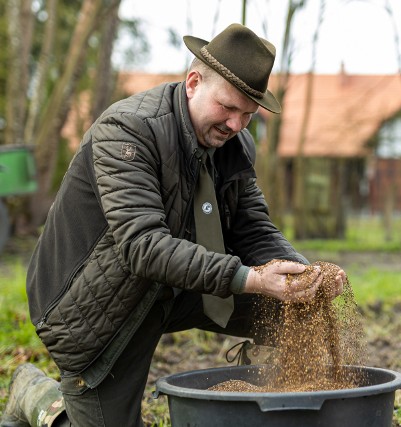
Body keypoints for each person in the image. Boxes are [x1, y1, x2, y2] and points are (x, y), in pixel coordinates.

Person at [1, 23, 346, 427]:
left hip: (176, 286)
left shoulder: (233, 144)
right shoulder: (128, 131)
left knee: (297, 305)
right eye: (227, 108)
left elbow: (253, 228)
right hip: (96, 305)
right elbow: (143, 246)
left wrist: (301, 272)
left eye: (247, 116)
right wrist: (250, 278)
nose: (235, 125)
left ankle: (274, 408)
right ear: (194, 82)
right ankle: (37, 395)